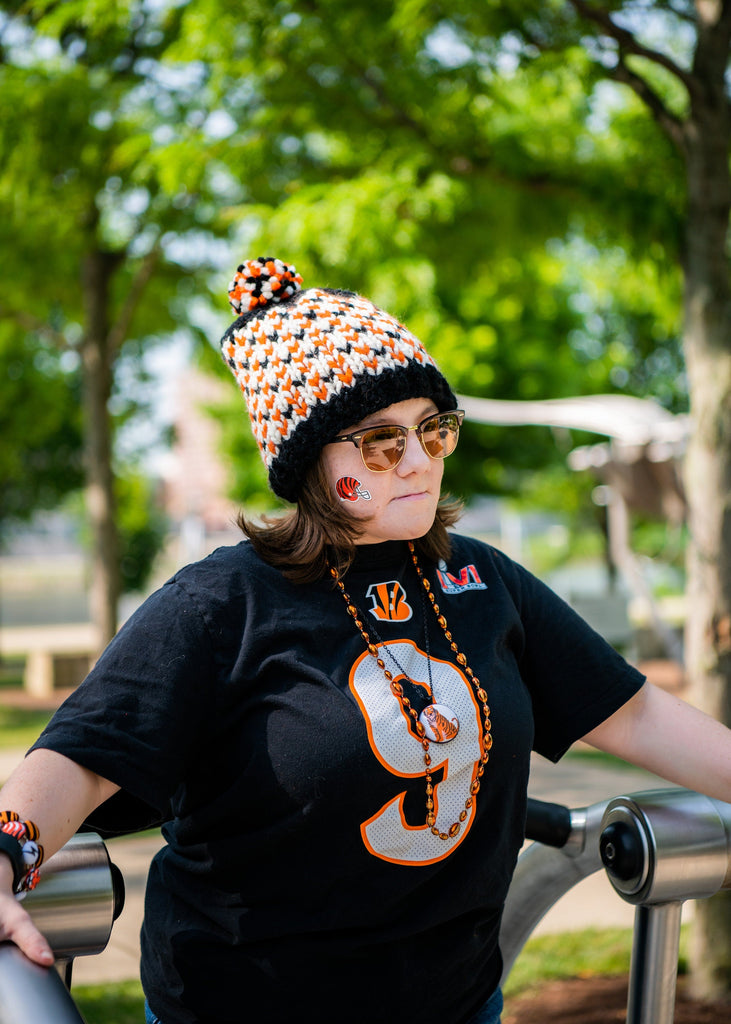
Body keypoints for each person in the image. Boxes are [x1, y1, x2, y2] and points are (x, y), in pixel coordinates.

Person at [1, 256, 731, 1024]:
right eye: (380, 442)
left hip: (457, 1006)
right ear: (312, 463)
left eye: (433, 429)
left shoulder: (485, 582)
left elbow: (636, 715)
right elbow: (82, 758)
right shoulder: (220, 602)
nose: (418, 461)